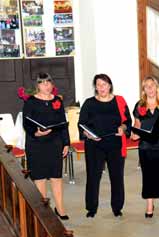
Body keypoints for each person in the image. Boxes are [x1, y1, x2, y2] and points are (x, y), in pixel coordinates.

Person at [78, 74, 132, 218]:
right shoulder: (89, 103)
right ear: (95, 87)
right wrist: (87, 134)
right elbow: (81, 123)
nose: (101, 87)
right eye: (98, 85)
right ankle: (91, 208)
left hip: (115, 144)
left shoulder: (119, 101)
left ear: (110, 85)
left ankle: (117, 207)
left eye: (104, 84)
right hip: (94, 145)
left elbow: (127, 121)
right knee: (93, 177)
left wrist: (123, 128)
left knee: (117, 177)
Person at [22, 72, 70, 220]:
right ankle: (43, 211)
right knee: (40, 178)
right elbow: (26, 123)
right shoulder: (30, 101)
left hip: (54, 143)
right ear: (37, 86)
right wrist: (36, 133)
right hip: (36, 143)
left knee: (56, 177)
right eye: (43, 83)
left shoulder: (57, 101)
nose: (46, 86)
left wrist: (66, 143)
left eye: (49, 82)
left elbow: (63, 123)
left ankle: (60, 208)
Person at [131, 76, 159, 218]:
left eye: (152, 85)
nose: (150, 88)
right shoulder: (139, 106)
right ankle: (149, 204)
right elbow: (136, 125)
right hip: (145, 146)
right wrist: (134, 135)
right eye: (146, 86)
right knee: (148, 175)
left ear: (157, 87)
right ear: (143, 89)